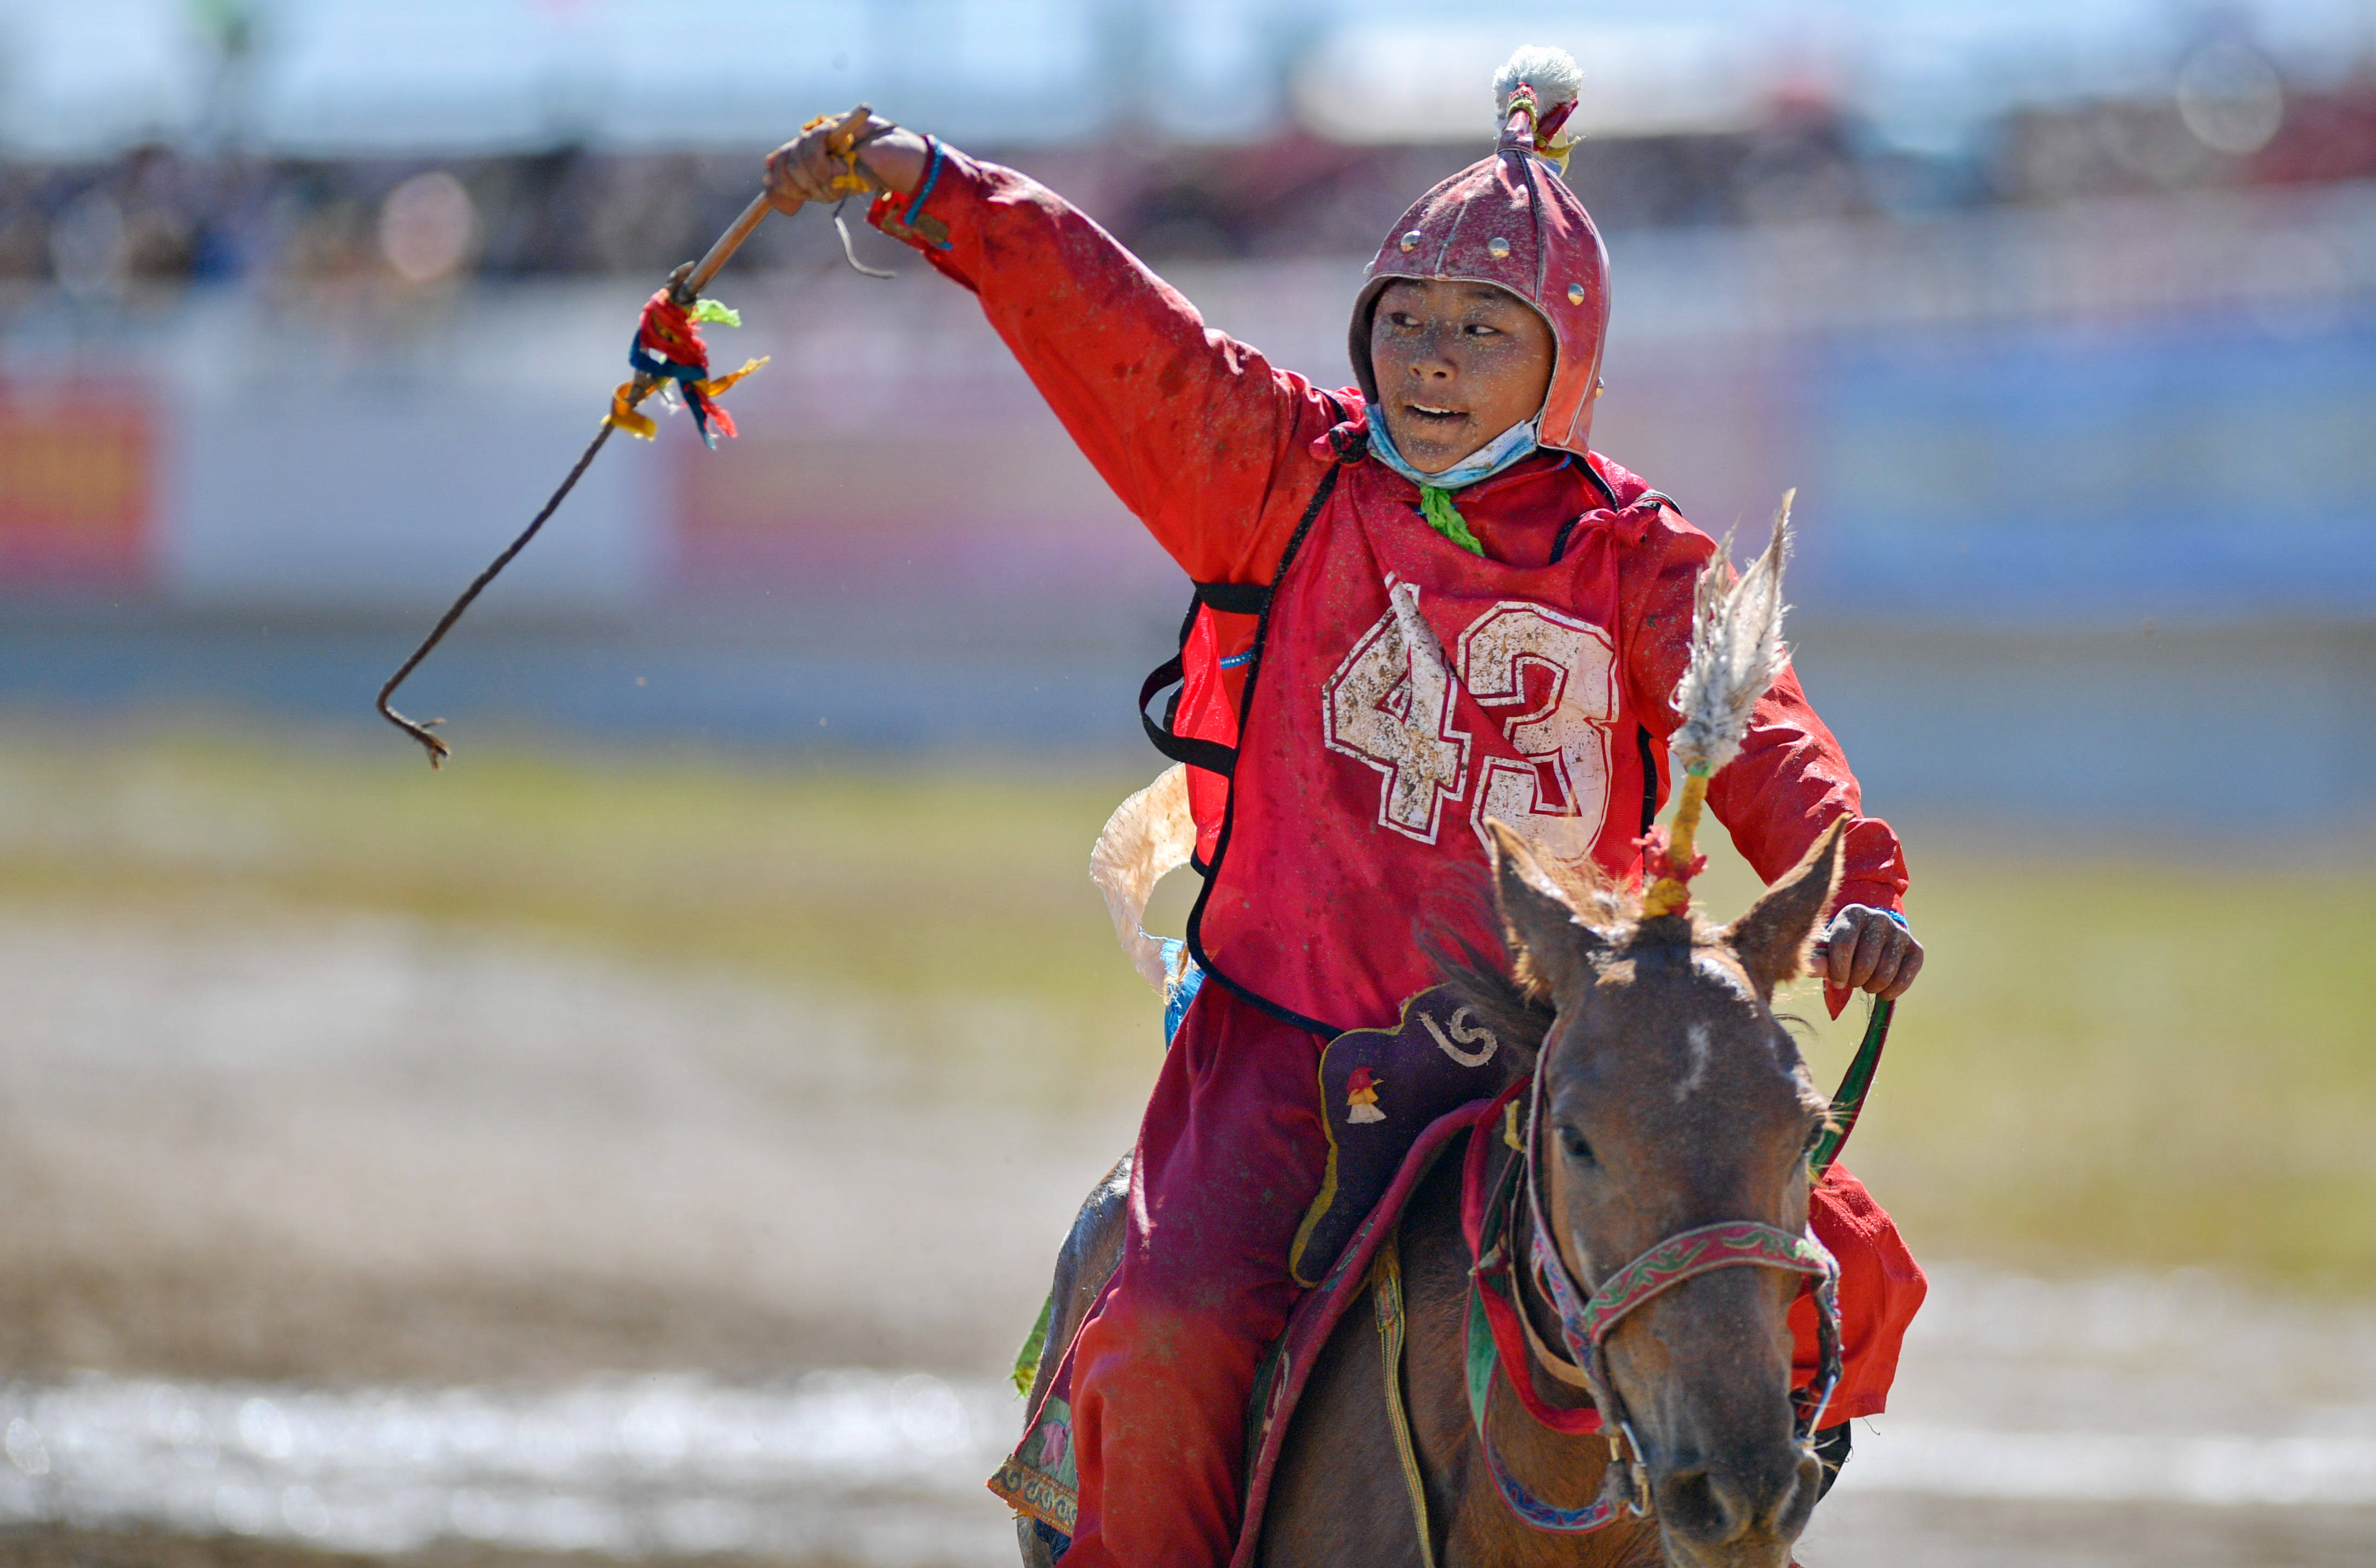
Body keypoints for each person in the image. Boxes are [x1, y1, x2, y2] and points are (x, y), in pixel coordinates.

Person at [764, 46, 1926, 1568]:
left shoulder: (1639, 556)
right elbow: (1116, 330)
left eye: (1480, 330)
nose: (1429, 360)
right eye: (1405, 321)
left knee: (1844, 1264)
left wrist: (1862, 887)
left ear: (1563, 360)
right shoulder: (1276, 472)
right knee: (1166, 1338)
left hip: (1553, 1030)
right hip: (1288, 1048)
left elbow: (1761, 728)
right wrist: (933, 185)